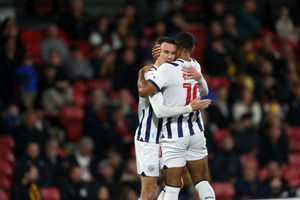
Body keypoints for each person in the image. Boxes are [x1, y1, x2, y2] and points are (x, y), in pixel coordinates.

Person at [137, 32, 215, 200]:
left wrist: (141, 73)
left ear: (177, 49)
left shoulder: (167, 70)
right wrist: (201, 79)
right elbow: (205, 91)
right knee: (201, 181)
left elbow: (145, 93)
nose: (170, 55)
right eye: (165, 52)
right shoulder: (196, 65)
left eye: (172, 51)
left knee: (172, 187)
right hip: (195, 131)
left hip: (173, 134)